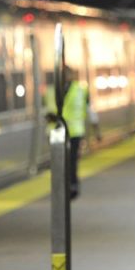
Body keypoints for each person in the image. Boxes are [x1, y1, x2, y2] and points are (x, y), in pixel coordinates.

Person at [46, 65, 101, 199]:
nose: (64, 76)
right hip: (57, 132)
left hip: (75, 132)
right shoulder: (50, 91)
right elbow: (46, 111)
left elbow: (90, 110)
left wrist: (96, 130)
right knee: (59, 161)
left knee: (71, 160)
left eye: (66, 74)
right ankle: (63, 186)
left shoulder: (81, 90)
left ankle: (73, 185)